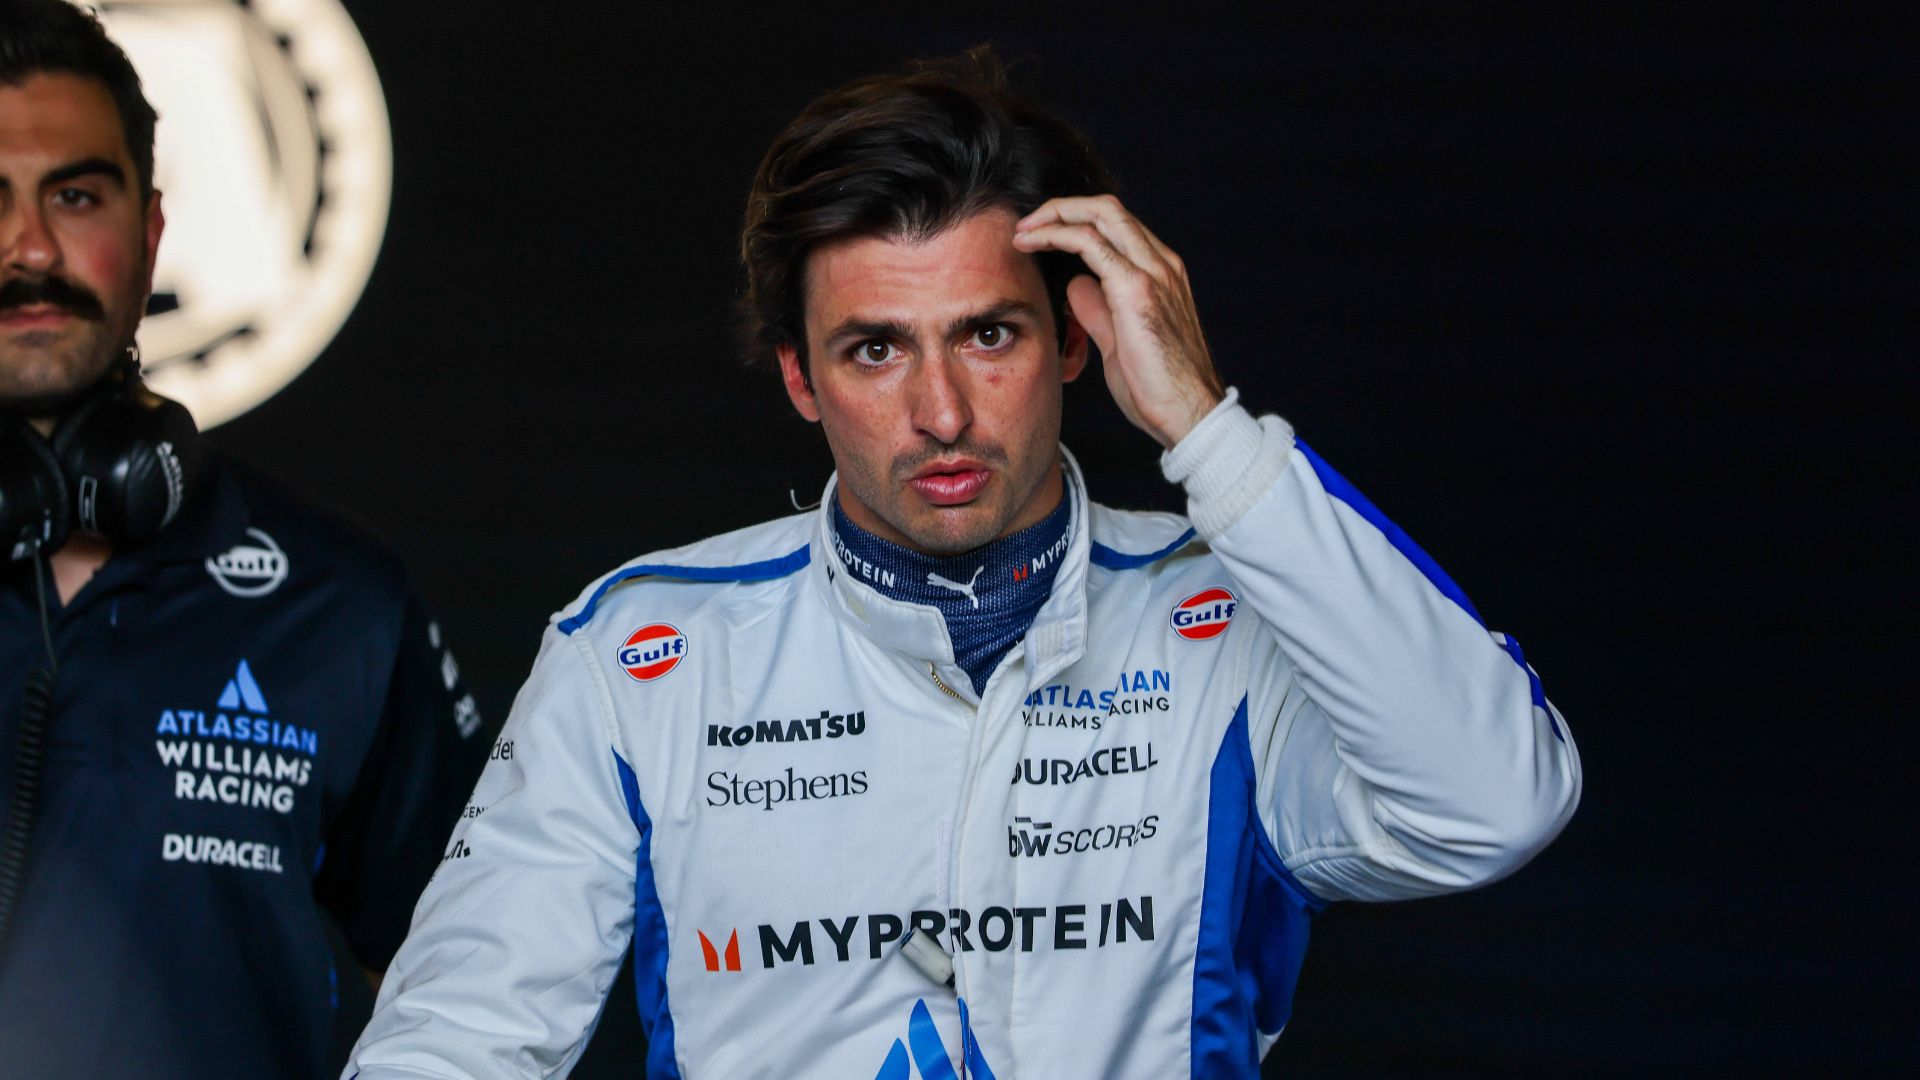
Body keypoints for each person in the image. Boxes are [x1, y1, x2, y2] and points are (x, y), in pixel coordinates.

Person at [346, 49, 1581, 1079]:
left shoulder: (1229, 609)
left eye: (989, 334)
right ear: (798, 378)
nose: (941, 411)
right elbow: (452, 1047)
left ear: (1079, 340)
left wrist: (1210, 434)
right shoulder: (641, 655)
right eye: (875, 351)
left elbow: (1494, 802)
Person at [0, 2, 489, 1076]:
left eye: (75, 194)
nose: (30, 247)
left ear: (153, 232)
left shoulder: (339, 594)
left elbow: (471, 989)